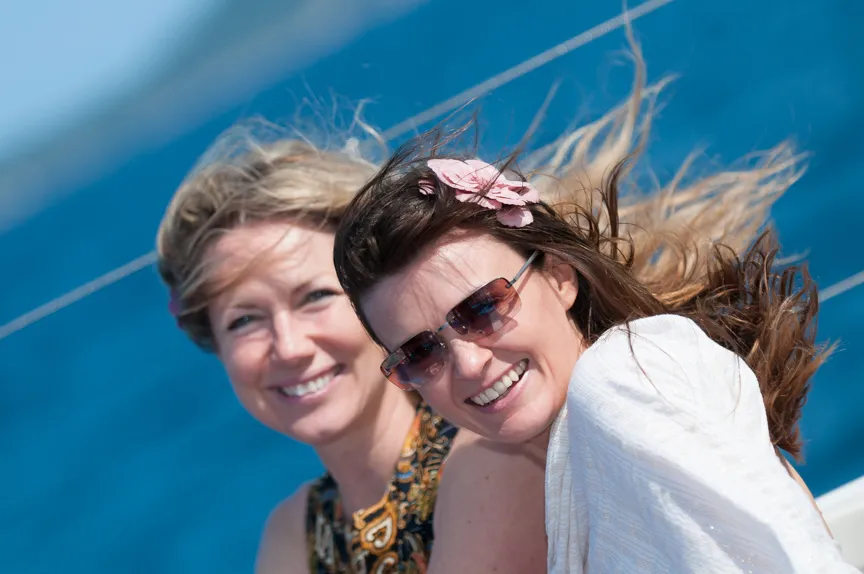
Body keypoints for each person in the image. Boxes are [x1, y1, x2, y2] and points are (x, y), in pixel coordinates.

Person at [155, 40, 812, 573]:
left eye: (317, 297)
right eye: (244, 319)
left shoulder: (499, 448)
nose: (289, 346)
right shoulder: (296, 532)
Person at [331, 82, 856, 574]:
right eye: (421, 352)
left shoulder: (620, 385)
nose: (467, 363)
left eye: (482, 309)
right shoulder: (579, 445)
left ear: (560, 277)